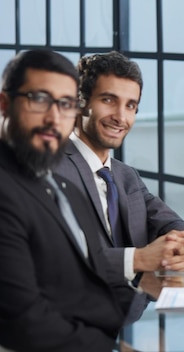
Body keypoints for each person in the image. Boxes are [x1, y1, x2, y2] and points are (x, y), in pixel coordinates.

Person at [54, 51, 184, 325]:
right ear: (80, 104)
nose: (120, 117)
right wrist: (139, 258)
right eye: (108, 100)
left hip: (128, 318)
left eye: (131, 106)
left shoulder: (125, 177)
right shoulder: (50, 169)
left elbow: (168, 221)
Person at [0, 50, 125, 351]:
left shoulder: (65, 188)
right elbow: (25, 322)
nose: (54, 118)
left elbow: (84, 283)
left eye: (66, 104)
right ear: (4, 104)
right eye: (39, 99)